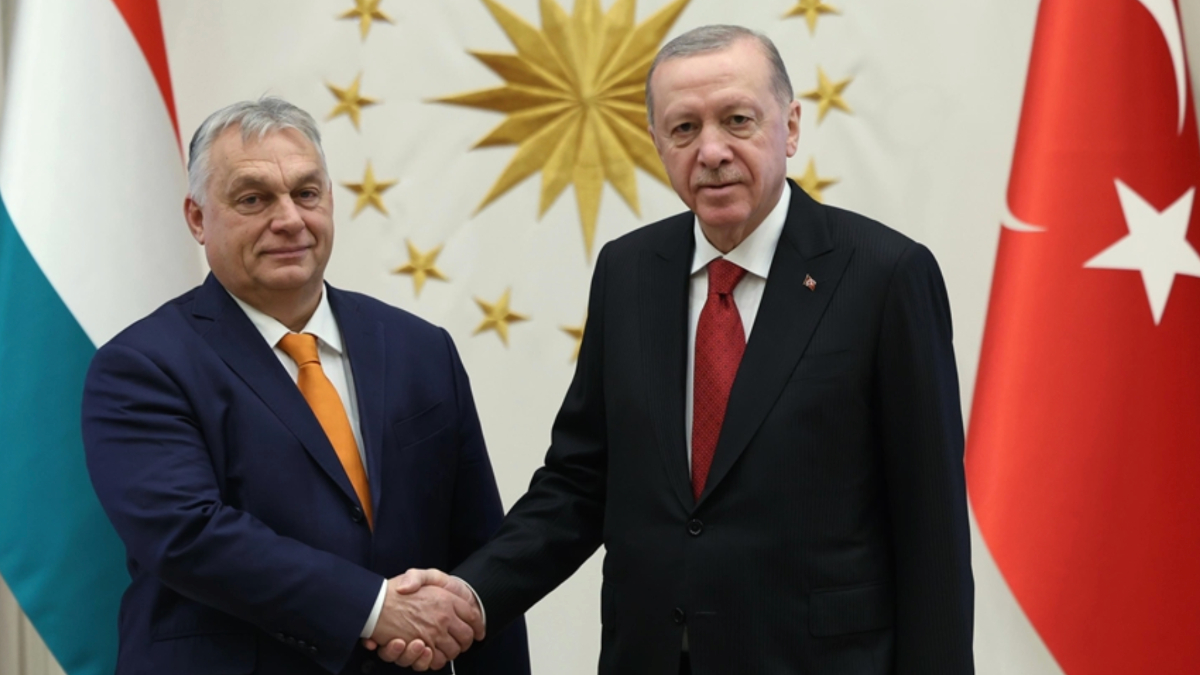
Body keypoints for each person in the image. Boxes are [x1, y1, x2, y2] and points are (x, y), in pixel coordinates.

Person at [383, 24, 976, 674]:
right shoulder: (628, 272)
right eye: (684, 128)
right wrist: (470, 595)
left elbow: (932, 530)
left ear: (791, 127)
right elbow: (581, 481)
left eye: (737, 120)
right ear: (657, 142)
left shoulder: (885, 276)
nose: (712, 151)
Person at [81, 97, 530, 675]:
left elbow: (476, 551)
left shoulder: (421, 349)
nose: (290, 219)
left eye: (306, 193)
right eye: (253, 199)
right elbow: (190, 535)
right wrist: (374, 609)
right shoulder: (141, 366)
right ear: (197, 218)